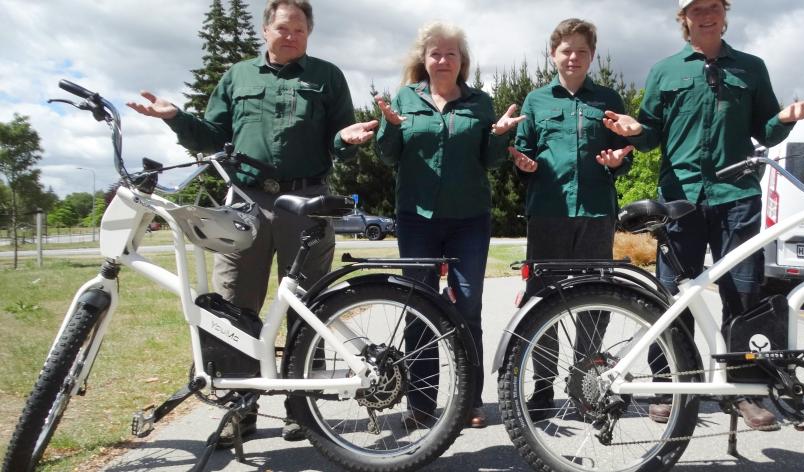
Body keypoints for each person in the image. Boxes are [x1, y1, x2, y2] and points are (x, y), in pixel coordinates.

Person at [127, 0, 377, 445]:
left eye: (300, 29)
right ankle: (239, 409)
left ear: (308, 34)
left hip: (307, 201)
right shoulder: (237, 77)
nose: (291, 35)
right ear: (266, 30)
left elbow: (340, 138)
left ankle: (303, 406)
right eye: (283, 27)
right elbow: (210, 134)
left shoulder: (327, 77)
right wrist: (175, 117)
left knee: (307, 306)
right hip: (245, 201)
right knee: (234, 304)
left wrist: (348, 138)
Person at [603, 0, 804, 428]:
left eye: (713, 6)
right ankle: (671, 384)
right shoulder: (664, 71)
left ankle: (742, 390)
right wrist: (635, 131)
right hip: (679, 199)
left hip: (736, 195)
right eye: (695, 8)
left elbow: (765, 130)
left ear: (725, 13)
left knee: (743, 295)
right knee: (672, 296)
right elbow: (649, 136)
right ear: (683, 18)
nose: (705, 14)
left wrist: (785, 118)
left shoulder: (752, 67)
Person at [374, 21, 524, 429]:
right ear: (424, 60)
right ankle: (421, 404)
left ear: (463, 62)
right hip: (416, 218)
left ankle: (470, 399)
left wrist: (498, 136)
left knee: (467, 306)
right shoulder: (406, 97)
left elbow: (491, 161)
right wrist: (388, 123)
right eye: (435, 53)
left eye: (451, 54)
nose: (443, 60)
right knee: (418, 306)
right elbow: (388, 157)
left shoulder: (480, 103)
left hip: (468, 220)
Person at [509, 18, 633, 421]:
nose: (574, 57)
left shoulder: (608, 99)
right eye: (566, 50)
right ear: (553, 54)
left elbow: (622, 154)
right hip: (548, 214)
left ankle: (585, 386)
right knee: (544, 301)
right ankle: (543, 387)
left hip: (597, 214)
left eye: (582, 50)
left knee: (594, 303)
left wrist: (617, 162)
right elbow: (522, 151)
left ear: (592, 55)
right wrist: (523, 164)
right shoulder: (535, 101)